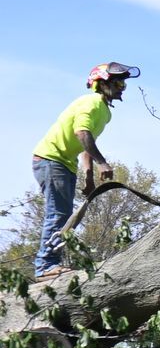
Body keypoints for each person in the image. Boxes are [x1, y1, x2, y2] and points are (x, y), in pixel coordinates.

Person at [30, 61, 139, 277]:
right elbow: (82, 134)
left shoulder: (105, 112)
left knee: (66, 214)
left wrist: (88, 177)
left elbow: (86, 144)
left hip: (63, 163)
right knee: (59, 213)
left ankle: (50, 264)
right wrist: (102, 163)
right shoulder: (91, 103)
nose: (121, 89)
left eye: (123, 85)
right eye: (118, 84)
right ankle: (45, 266)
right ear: (100, 84)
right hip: (51, 159)